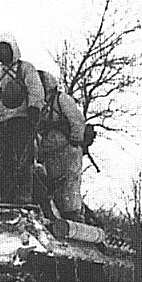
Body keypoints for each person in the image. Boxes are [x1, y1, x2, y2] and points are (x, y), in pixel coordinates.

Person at [0, 33, 45, 203]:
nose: (2, 53)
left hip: (19, 117)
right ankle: (3, 192)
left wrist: (34, 107)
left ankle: (23, 193)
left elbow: (35, 89)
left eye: (5, 49)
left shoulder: (25, 68)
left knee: (22, 157)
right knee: (1, 158)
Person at [37, 71, 86, 222]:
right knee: (54, 183)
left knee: (70, 183)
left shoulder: (62, 99)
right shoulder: (40, 103)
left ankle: (74, 214)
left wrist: (74, 140)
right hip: (50, 151)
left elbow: (77, 120)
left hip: (67, 149)